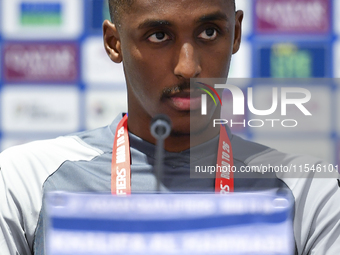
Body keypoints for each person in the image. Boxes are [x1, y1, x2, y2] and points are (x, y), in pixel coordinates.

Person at [0, 0, 339, 254]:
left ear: (235, 33)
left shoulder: (309, 189)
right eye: (159, 35)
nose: (188, 67)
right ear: (114, 43)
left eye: (209, 32)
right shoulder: (24, 180)